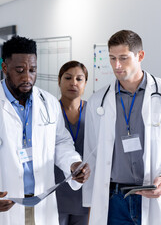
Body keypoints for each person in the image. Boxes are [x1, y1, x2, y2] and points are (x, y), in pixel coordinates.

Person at [0, 36, 90, 225]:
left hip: (43, 203)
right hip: (6, 203)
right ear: (5, 68)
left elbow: (61, 142)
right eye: (20, 70)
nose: (27, 77)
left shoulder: (49, 103)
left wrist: (73, 163)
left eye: (32, 70)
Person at [82, 30, 161, 225]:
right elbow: (92, 155)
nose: (116, 65)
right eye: (112, 58)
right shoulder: (98, 101)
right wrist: (92, 205)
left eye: (123, 58)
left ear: (140, 56)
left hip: (154, 196)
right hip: (114, 201)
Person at [54, 61, 89, 225]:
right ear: (59, 81)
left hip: (84, 190)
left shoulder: (94, 113)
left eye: (79, 79)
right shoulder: (50, 112)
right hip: (55, 189)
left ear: (85, 83)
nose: (73, 83)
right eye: (68, 77)